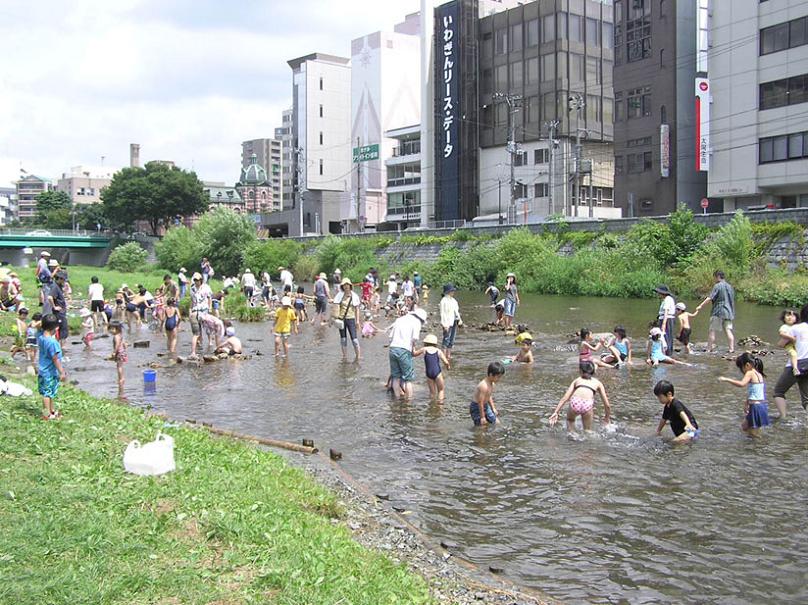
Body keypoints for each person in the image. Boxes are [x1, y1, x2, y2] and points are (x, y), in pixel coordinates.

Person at [549, 361, 612, 433]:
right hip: (587, 404)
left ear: (580, 371)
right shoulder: (598, 383)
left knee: (570, 420)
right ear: (593, 371)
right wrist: (607, 417)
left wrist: (556, 412)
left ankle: (572, 435)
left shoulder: (577, 380)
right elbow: (607, 405)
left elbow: (565, 398)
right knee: (587, 430)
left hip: (575, 402)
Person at [719, 352, 770, 436]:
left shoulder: (750, 373)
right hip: (761, 405)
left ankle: (757, 446)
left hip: (756, 407)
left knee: (754, 433)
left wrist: (726, 379)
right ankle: (752, 444)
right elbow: (754, 391)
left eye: (741, 368)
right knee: (745, 426)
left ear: (747, 365)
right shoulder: (758, 373)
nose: (741, 371)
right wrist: (747, 403)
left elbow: (742, 384)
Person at [773, 303, 808, 417]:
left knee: (778, 391)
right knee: (806, 399)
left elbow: (781, 344)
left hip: (798, 363)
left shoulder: (795, 328)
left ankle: (783, 418)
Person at [387, 308, 427, 398]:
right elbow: (415, 338)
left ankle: (397, 400)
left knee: (396, 377)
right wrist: (413, 348)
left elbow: (390, 336)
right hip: (404, 350)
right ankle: (408, 403)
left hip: (393, 348)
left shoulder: (399, 319)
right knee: (408, 379)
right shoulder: (416, 322)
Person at [695, 270, 735, 353]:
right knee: (728, 330)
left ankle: (709, 349)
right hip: (729, 312)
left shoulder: (717, 286)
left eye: (714, 277)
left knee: (712, 330)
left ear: (717, 276)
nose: (714, 279)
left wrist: (700, 306)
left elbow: (710, 298)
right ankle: (731, 349)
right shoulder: (730, 286)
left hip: (718, 311)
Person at [37, 314, 66, 420]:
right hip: (49, 372)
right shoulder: (53, 342)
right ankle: (47, 414)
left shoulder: (40, 337)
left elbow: (39, 326)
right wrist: (62, 371)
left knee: (50, 392)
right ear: (55, 328)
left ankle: (51, 411)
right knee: (47, 393)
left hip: (43, 370)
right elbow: (55, 359)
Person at [414, 333, 451, 401]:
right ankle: (440, 406)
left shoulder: (424, 349)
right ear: (435, 343)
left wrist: (413, 346)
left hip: (429, 374)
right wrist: (448, 366)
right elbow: (446, 362)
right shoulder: (438, 350)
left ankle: (432, 405)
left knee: (432, 393)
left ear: (425, 342)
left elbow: (414, 354)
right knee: (441, 390)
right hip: (437, 373)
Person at [332, 278, 362, 360]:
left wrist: (357, 321)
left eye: (347, 285)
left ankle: (358, 356)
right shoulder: (339, 295)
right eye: (344, 285)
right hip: (341, 319)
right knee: (343, 339)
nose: (346, 287)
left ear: (350, 286)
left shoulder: (354, 296)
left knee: (354, 339)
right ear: (342, 286)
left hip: (351, 319)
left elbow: (357, 309)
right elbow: (335, 306)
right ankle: (344, 356)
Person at [470, 361, 505, 426]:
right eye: (498, 377)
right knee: (482, 426)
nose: (499, 379)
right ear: (491, 375)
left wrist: (493, 408)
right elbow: (480, 402)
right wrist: (482, 417)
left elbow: (489, 396)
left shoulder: (492, 384)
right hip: (476, 407)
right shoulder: (484, 386)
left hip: (485, 405)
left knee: (496, 422)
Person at [189, 272, 212, 359]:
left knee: (207, 327)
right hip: (195, 311)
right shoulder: (192, 289)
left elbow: (209, 297)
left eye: (197, 280)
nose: (196, 281)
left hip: (204, 310)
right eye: (195, 280)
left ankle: (210, 342)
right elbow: (192, 300)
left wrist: (210, 308)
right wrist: (190, 311)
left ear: (201, 280)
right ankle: (197, 347)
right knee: (197, 332)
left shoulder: (206, 287)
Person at [439, 284, 462, 361]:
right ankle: (444, 356)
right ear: (448, 291)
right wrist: (444, 324)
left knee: (452, 339)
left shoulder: (454, 300)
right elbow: (442, 313)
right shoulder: (443, 301)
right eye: (452, 290)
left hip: (454, 321)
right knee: (446, 339)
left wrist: (459, 319)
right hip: (447, 323)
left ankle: (448, 355)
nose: (453, 292)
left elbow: (456, 312)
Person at [45, 272, 69, 344]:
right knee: (62, 331)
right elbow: (49, 297)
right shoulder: (55, 287)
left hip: (61, 312)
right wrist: (54, 307)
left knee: (62, 330)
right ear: (60, 279)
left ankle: (61, 348)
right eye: (64, 280)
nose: (64, 281)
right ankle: (60, 349)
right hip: (59, 313)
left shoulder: (59, 286)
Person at [655, 285, 676, 356]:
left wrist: (664, 324)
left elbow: (666, 311)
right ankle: (667, 352)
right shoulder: (667, 299)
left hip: (667, 319)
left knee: (666, 336)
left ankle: (667, 353)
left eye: (658, 292)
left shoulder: (667, 299)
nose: (658, 294)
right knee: (666, 336)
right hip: (666, 319)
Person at [778, 309, 800, 376]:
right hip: (789, 345)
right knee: (793, 354)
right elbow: (782, 334)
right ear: (784, 318)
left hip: (796, 344)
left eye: (793, 316)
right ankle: (795, 369)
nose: (790, 317)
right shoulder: (785, 326)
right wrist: (792, 338)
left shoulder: (797, 327)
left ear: (796, 319)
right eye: (788, 315)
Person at [109, 320, 127, 398]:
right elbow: (123, 344)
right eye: (110, 329)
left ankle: (121, 379)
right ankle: (121, 379)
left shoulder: (116, 336)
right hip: (122, 352)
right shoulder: (120, 335)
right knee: (120, 365)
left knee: (119, 366)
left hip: (119, 353)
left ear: (118, 329)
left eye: (113, 329)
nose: (111, 331)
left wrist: (114, 353)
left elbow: (116, 345)